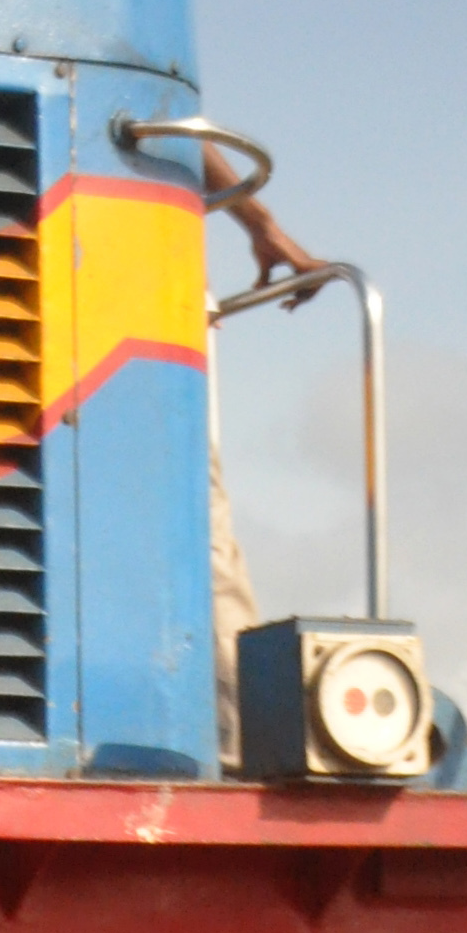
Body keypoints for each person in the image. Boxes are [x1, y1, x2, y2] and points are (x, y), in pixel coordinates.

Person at [201, 147, 329, 770]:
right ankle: (237, 741)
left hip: (134, 320)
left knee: (195, 526)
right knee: (197, 533)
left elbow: (170, 121)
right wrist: (262, 224)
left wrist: (261, 225)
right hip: (127, 315)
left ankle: (236, 737)